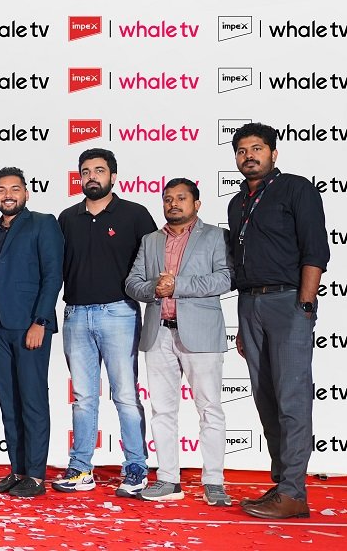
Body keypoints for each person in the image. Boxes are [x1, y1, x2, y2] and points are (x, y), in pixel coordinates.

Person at [227, 123, 329, 520]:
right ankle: (282, 484)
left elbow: (315, 250)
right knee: (266, 400)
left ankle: (294, 493)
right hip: (250, 304)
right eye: (242, 151)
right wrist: (242, 321)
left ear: (273, 153)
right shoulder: (237, 203)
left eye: (257, 148)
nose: (249, 156)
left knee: (292, 399)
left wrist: (305, 305)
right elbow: (240, 264)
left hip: (288, 303)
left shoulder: (297, 189)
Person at [53, 148, 157, 497]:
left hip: (119, 313)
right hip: (76, 315)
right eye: (85, 171)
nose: (92, 177)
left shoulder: (135, 214)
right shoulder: (67, 218)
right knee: (83, 397)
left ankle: (136, 467)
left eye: (99, 170)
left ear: (113, 176)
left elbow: (153, 264)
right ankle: (81, 468)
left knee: (125, 395)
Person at [125, 178, 233, 506]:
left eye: (181, 198)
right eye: (168, 198)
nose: (173, 203)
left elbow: (226, 278)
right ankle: (168, 479)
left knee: (210, 409)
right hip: (159, 333)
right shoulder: (151, 240)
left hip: (201, 335)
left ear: (196, 204)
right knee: (162, 410)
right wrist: (153, 289)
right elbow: (133, 283)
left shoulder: (216, 236)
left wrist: (178, 286)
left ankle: (214, 481)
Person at [0, 167, 63, 497]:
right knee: (10, 404)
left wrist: (41, 321)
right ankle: (18, 470)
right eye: (1, 189)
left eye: (14, 189)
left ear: (26, 193)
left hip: (30, 327)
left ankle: (36, 477)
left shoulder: (43, 223)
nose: (8, 195)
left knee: (33, 401)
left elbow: (53, 276)